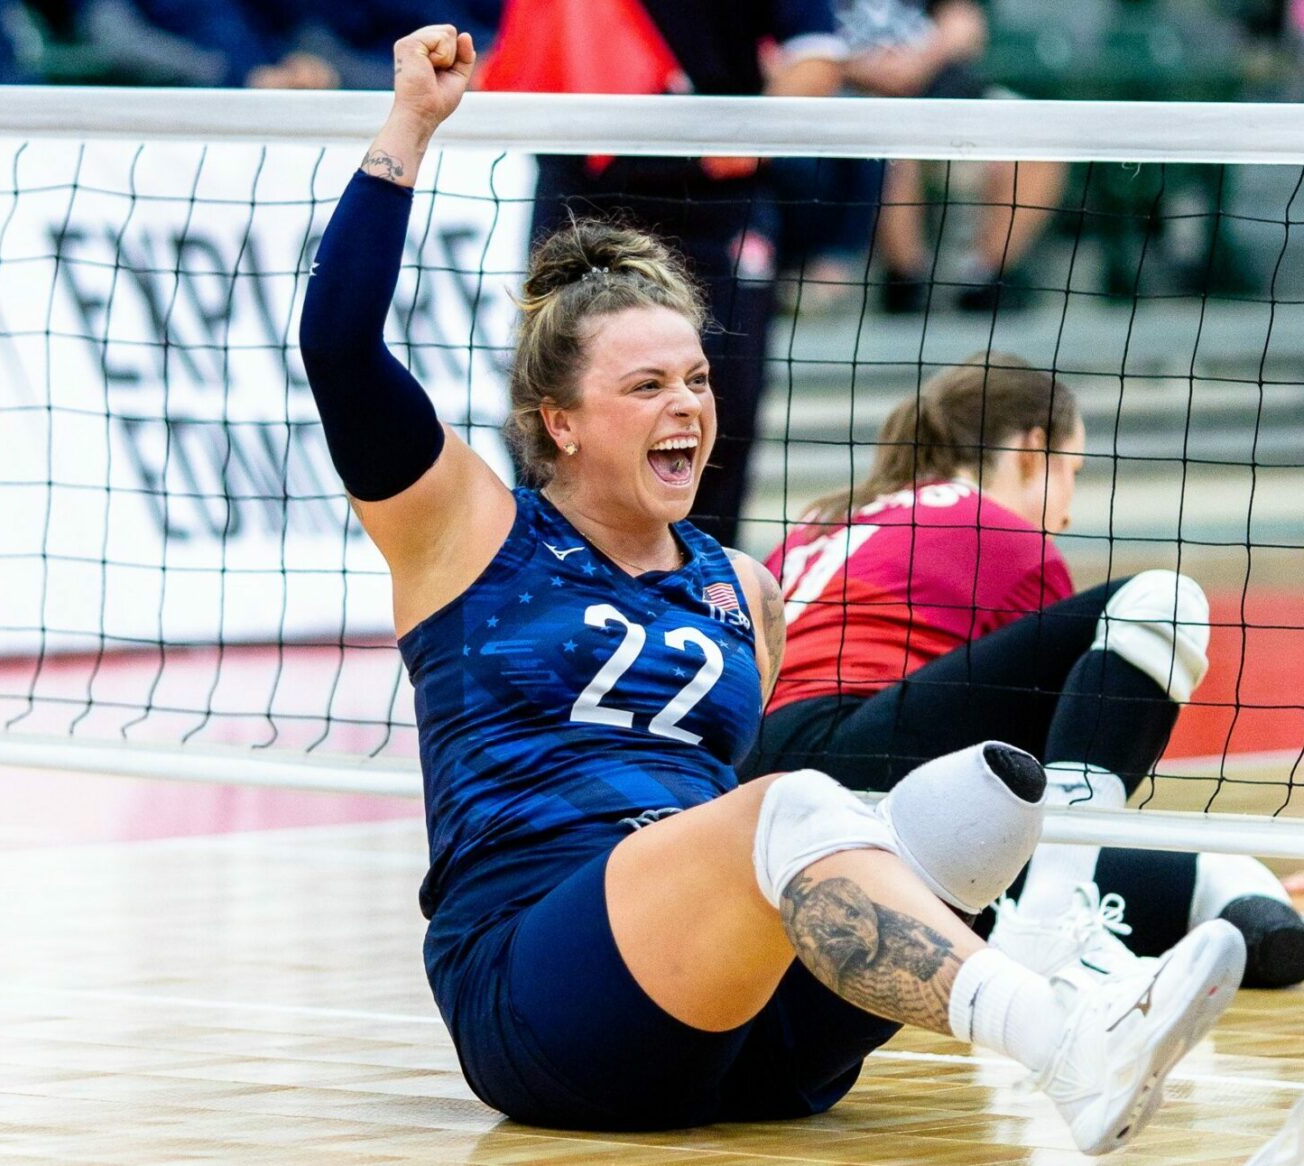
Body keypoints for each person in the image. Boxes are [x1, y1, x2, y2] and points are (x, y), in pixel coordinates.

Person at [299, 24, 1245, 1150]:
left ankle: (1063, 966)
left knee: (983, 797)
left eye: (696, 377)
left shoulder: (738, 586)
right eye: (645, 384)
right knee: (791, 804)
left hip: (727, 1018)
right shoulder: (469, 529)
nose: (688, 405)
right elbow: (341, 347)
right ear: (560, 420)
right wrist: (410, 124)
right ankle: (1071, 1037)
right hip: (537, 984)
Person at [742, 353, 1304, 989]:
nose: (1064, 513)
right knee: (1161, 601)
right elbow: (1058, 771)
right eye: (1074, 472)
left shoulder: (816, 524)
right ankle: (1054, 926)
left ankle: (1058, 921)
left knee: (1247, 900)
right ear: (1033, 451)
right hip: (865, 772)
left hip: (753, 813)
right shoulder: (1000, 531)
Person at [478, 0, 848, 546]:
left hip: (714, 198)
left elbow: (819, 56)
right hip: (585, 183)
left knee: (721, 399)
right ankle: (552, 571)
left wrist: (750, 135)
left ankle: (702, 577)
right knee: (555, 385)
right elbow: (490, 51)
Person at [835, 0, 1064, 313]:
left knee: (1041, 143)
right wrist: (864, 70)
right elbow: (794, 46)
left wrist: (917, 63)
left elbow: (965, 22)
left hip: (944, 92)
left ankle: (982, 279)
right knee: (891, 154)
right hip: (853, 101)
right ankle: (908, 283)